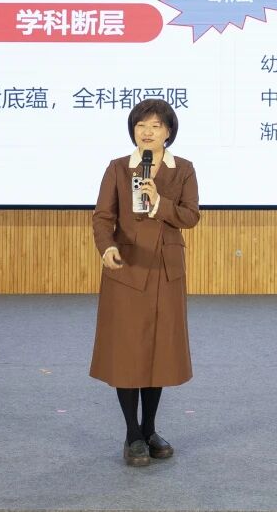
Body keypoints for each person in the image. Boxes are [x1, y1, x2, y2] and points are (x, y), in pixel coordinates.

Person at [90, 98, 201, 467]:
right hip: (127, 267)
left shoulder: (183, 170)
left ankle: (150, 429)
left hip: (165, 271)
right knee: (127, 351)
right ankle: (132, 434)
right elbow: (102, 217)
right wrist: (106, 248)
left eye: (155, 125)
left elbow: (190, 216)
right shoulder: (118, 168)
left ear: (168, 132)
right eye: (141, 125)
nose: (147, 132)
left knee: (159, 352)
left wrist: (159, 202)